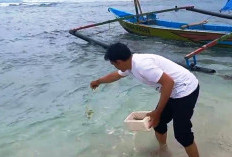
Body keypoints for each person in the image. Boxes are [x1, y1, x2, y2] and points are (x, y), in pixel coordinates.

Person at [90, 43, 200, 157]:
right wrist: (98, 81)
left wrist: (157, 112)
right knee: (158, 123)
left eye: (113, 64)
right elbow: (116, 75)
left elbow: (169, 82)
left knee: (182, 134)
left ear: (119, 62)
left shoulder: (143, 66)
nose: (115, 67)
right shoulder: (129, 64)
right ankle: (163, 150)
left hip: (186, 90)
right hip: (172, 91)